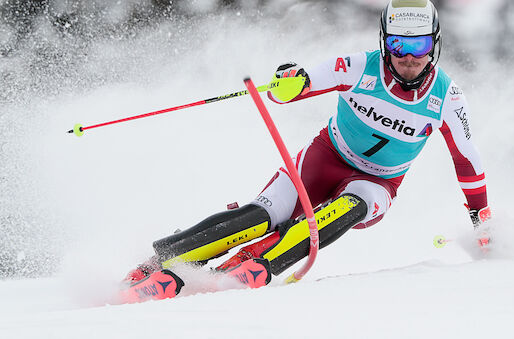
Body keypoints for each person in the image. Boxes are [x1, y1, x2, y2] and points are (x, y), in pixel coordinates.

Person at [124, 0, 491, 292]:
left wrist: (481, 218)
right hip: (324, 159)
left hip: (378, 184)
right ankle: (159, 262)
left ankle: (256, 265)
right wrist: (290, 81)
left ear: (434, 44)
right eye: (398, 44)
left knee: (348, 208)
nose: (409, 57)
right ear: (384, 41)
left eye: (419, 45)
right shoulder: (359, 66)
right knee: (260, 217)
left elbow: (468, 162)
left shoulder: (448, 98)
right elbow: (300, 85)